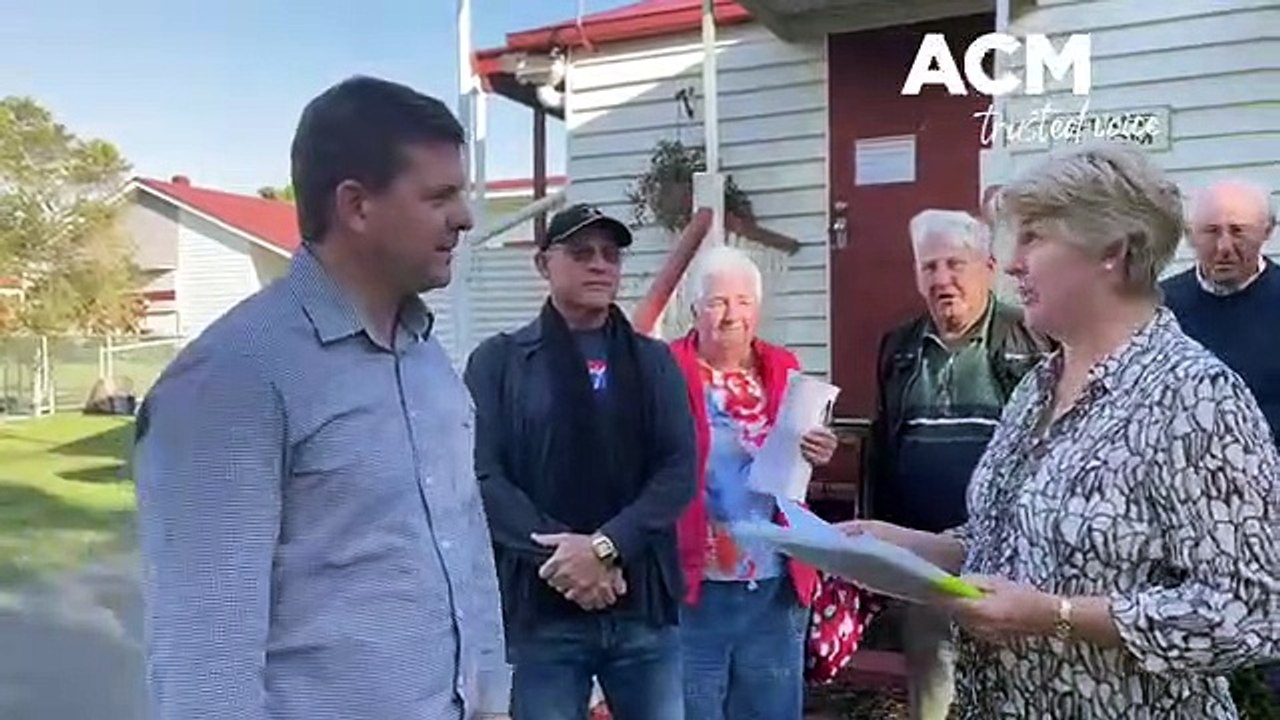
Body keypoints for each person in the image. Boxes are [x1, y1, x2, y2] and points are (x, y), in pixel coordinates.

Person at [845, 142, 1280, 718]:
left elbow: (1250, 614)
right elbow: (1007, 541)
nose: (1014, 263)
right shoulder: (1037, 387)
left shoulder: (1195, 399)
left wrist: (1057, 615)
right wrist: (896, 546)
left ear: (1113, 252)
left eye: (1034, 238)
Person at [134, 77, 509, 720]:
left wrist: (494, 700)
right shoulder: (232, 381)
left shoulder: (427, 360)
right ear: (356, 206)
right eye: (439, 196)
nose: (466, 217)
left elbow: (466, 549)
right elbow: (206, 663)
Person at [464, 203, 697, 720]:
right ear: (544, 264)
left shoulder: (653, 362)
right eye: (582, 252)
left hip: (641, 606)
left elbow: (678, 470)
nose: (600, 265)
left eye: (611, 255)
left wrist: (607, 547)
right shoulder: (499, 362)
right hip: (544, 613)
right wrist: (568, 561)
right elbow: (483, 477)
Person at [862, 209, 1050, 720]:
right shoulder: (898, 347)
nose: (942, 279)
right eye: (929, 267)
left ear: (989, 267)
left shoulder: (1035, 338)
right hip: (925, 559)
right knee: (934, 686)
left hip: (1015, 559)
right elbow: (886, 446)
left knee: (1014, 687)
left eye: (955, 264)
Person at [664, 245, 837, 720]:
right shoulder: (666, 370)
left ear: (757, 310)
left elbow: (797, 455)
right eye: (717, 301)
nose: (730, 315)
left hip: (775, 580)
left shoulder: (783, 367)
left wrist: (818, 450)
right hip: (695, 581)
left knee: (772, 710)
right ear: (695, 309)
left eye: (742, 301)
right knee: (693, 708)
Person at [1162, 179, 1280, 440]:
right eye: (1211, 231)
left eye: (1238, 231)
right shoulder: (1160, 308)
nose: (1224, 247)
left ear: (1267, 231)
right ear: (1189, 235)